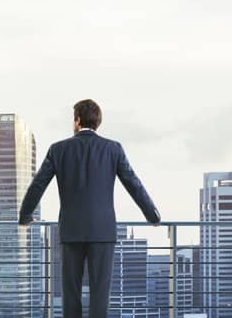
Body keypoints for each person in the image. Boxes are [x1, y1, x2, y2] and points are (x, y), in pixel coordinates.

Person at [18, 99, 162, 318]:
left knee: (71, 294)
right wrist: (152, 215)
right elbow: (133, 183)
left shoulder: (58, 149)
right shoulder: (113, 149)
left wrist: (25, 216)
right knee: (99, 295)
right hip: (102, 232)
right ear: (98, 122)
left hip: (71, 231)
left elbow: (38, 184)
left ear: (77, 120)